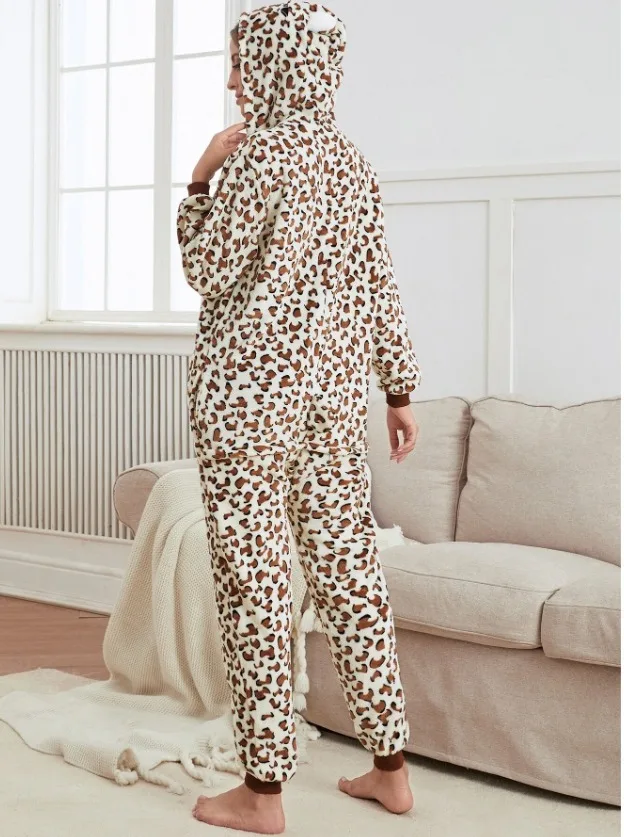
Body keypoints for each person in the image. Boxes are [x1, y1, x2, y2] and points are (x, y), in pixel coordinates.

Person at [176, 2, 422, 832]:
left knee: (256, 582)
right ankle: (391, 769)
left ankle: (262, 791)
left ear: (279, 63)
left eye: (241, 62)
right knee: (351, 573)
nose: (234, 80)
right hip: (333, 403)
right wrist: (399, 390)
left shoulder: (260, 156)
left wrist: (199, 179)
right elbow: (379, 283)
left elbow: (206, 268)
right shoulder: (352, 162)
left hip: (247, 403)